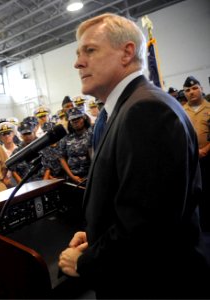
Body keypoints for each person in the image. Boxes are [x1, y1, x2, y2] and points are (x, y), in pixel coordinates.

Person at [58, 13, 210, 299]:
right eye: (78, 53)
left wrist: (86, 260)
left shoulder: (146, 111)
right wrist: (95, 236)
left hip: (155, 284)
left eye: (90, 50)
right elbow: (131, 199)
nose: (78, 62)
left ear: (127, 52)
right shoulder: (130, 106)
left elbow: (148, 228)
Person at [183, 76, 210, 232]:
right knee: (194, 194)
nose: (191, 92)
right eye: (187, 90)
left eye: (194, 88)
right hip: (191, 159)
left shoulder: (209, 108)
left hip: (208, 158)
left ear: (201, 88)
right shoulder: (181, 110)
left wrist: (205, 150)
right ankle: (200, 226)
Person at [59, 108, 93, 185]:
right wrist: (72, 176)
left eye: (78, 118)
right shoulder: (66, 138)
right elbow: (61, 157)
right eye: (72, 119)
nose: (75, 121)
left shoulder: (92, 134)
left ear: (83, 118)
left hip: (90, 177)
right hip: (72, 178)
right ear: (70, 122)